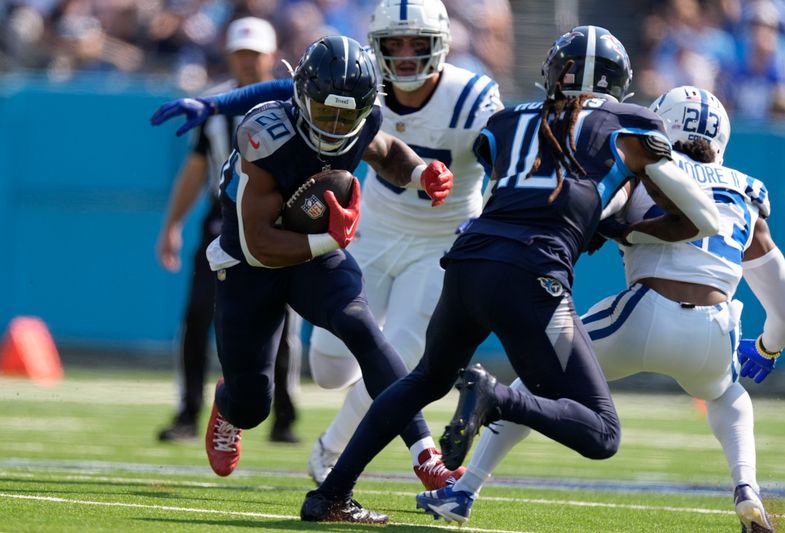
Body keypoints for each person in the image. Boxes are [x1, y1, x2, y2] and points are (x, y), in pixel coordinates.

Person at [298, 26, 721, 523]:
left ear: (551, 76)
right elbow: (704, 218)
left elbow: (532, 184)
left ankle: (329, 494)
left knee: (424, 379)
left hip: (468, 263)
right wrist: (634, 231)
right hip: (532, 277)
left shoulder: (509, 122)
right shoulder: (630, 126)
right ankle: (495, 398)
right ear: (619, 84)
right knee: (602, 433)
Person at [150, 0, 503, 486]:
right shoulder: (264, 134)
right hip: (252, 264)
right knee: (254, 403)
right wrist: (328, 239)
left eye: (348, 117)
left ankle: (424, 454)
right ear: (301, 97)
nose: (336, 127)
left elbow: (387, 153)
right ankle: (229, 402)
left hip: (318, 249)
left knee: (365, 333)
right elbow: (257, 244)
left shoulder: (367, 117)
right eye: (325, 113)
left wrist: (421, 174)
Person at [420, 86, 785, 533]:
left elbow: (588, 216)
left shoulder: (646, 167)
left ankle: (463, 492)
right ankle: (746, 489)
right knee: (728, 394)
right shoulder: (746, 195)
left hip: (642, 313)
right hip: (715, 332)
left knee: (535, 382)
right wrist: (768, 349)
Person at [155, 16, 302, 445]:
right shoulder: (214, 106)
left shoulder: (290, 103)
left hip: (279, 226)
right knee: (199, 315)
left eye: (254, 54)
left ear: (272, 56)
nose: (247, 62)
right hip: (224, 224)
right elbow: (196, 167)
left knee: (283, 322)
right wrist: (172, 225)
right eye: (240, 54)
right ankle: (188, 411)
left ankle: (284, 415)